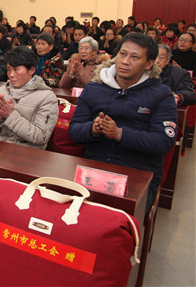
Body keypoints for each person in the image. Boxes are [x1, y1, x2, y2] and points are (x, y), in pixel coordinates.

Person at [69, 33, 178, 209]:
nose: (125, 62)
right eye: (122, 54)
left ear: (149, 64)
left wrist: (120, 134)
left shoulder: (161, 94)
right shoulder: (95, 88)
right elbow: (74, 130)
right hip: (95, 166)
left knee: (113, 217)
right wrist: (92, 129)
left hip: (138, 172)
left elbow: (164, 142)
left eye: (134, 57)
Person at [0, 46, 58, 149]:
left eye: (16, 69)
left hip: (26, 152)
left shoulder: (47, 97)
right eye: (8, 70)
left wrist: (11, 116)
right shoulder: (3, 91)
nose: (11, 75)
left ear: (31, 70)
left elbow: (41, 137)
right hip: (0, 147)